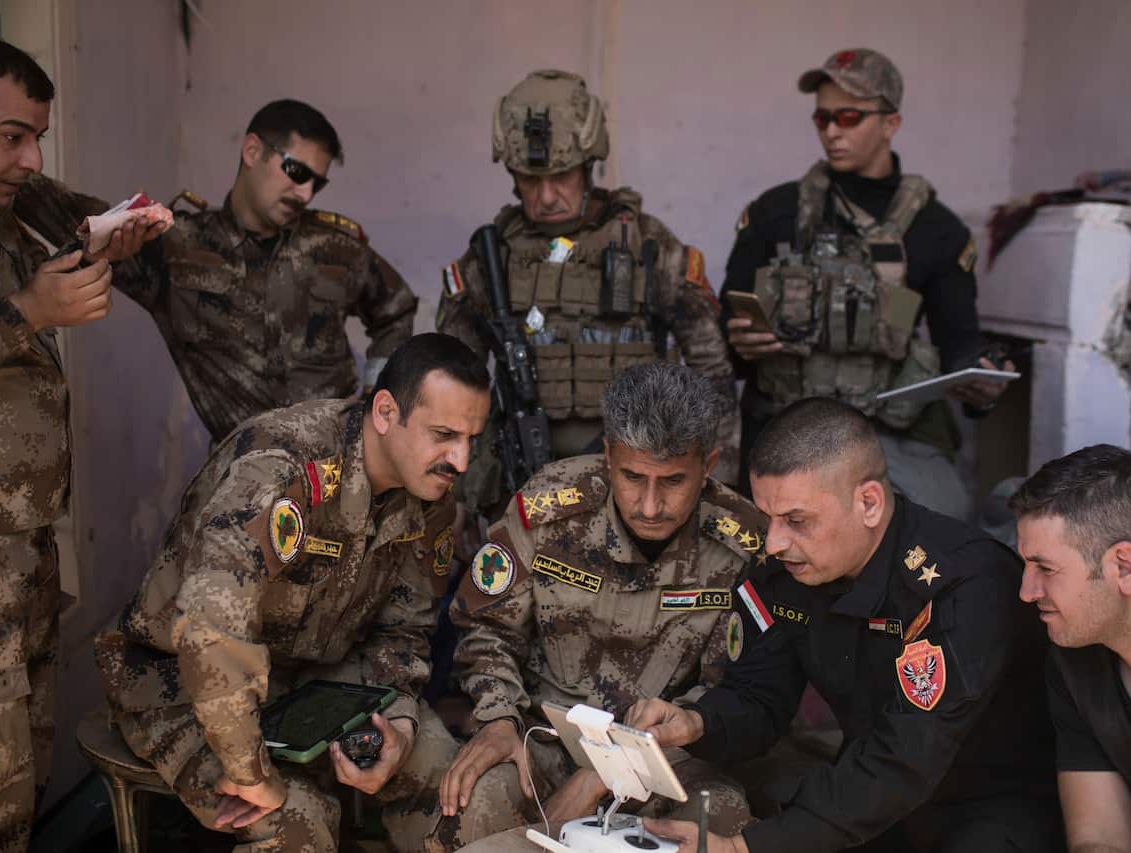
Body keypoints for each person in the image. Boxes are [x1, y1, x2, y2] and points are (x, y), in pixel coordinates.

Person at [94, 334, 489, 852]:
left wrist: (400, 726)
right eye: (443, 434)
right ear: (387, 411)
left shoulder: (430, 495)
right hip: (180, 682)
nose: (459, 461)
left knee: (472, 788)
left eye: (471, 439)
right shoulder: (283, 465)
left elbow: (404, 630)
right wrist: (246, 768)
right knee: (296, 822)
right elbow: (211, 626)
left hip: (318, 679)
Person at [628, 397, 1062, 852]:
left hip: (992, 807)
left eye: (796, 520)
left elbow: (905, 757)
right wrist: (698, 723)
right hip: (869, 799)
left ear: (869, 503)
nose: (774, 542)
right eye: (768, 517)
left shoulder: (961, 585)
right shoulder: (790, 572)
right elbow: (760, 695)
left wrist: (744, 848)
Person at [0, 37, 158, 852]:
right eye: (13, 135)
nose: (31, 158)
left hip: (21, 566)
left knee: (13, 795)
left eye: (38, 138)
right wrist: (26, 311)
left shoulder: (6, 222)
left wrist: (97, 255)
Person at [382, 363, 765, 851]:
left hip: (670, 766)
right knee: (472, 806)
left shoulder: (741, 543)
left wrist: (614, 769)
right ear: (608, 456)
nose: (650, 505)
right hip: (544, 745)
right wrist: (500, 717)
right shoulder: (549, 510)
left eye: (672, 481)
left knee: (723, 824)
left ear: (708, 466)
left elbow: (732, 691)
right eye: (632, 476)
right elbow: (485, 627)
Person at [720, 48, 1014, 519]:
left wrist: (980, 378)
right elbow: (723, 338)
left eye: (849, 117)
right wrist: (741, 342)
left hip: (884, 432)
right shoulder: (774, 214)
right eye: (822, 118)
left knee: (941, 524)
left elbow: (959, 344)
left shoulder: (936, 230)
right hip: (783, 425)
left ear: (891, 123)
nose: (832, 131)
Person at [437, 69, 740, 516]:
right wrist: (455, 498)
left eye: (562, 176)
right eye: (528, 179)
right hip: (518, 478)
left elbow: (711, 370)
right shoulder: (491, 257)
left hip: (637, 479)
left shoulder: (646, 244)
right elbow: (446, 378)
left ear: (589, 164)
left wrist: (714, 486)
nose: (546, 196)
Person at [101, 99, 417, 444]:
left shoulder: (333, 247)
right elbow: (83, 234)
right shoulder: (178, 247)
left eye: (318, 183)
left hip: (337, 466)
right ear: (252, 151)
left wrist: (375, 397)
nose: (306, 193)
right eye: (298, 173)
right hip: (242, 475)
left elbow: (396, 309)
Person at [1012, 444, 1131, 851]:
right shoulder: (1073, 663)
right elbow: (1101, 838)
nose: (1027, 592)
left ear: (1124, 567)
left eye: (1045, 568)